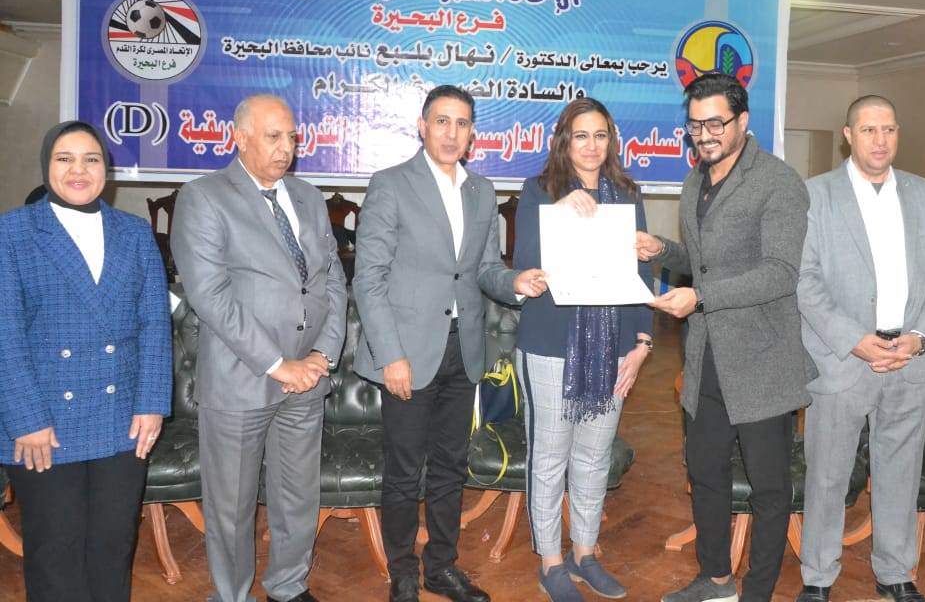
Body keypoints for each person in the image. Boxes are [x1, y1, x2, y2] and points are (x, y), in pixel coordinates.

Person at [353, 84, 547, 602]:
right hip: (408, 353)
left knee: (449, 466)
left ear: (472, 133)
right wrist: (391, 355)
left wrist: (516, 281)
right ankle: (402, 571)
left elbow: (484, 269)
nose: (451, 132)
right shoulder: (391, 184)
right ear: (422, 126)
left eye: (461, 123)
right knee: (403, 471)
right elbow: (368, 279)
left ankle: (441, 566)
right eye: (441, 121)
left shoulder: (481, 190)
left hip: (465, 350)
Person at [636, 72, 817, 602]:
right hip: (705, 357)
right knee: (706, 472)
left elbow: (780, 272)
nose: (704, 135)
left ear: (743, 121)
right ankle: (715, 580)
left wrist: (700, 297)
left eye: (715, 123)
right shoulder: (696, 179)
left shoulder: (779, 182)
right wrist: (662, 250)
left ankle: (757, 591)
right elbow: (703, 262)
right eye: (695, 126)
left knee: (768, 486)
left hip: (762, 360)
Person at [171, 94, 348, 602]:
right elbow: (210, 296)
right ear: (240, 137)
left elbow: (333, 280)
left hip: (307, 379)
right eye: (273, 137)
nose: (286, 147)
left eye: (291, 137)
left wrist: (321, 355)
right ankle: (232, 594)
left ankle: (288, 587)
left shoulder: (309, 197)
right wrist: (277, 364)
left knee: (297, 496)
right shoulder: (204, 197)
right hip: (241, 379)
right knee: (231, 506)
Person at [0, 121, 172, 602]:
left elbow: (155, 324)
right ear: (47, 166)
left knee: (114, 543)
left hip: (124, 418)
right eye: (65, 159)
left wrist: (152, 403)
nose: (79, 170)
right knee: (56, 547)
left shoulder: (133, 232)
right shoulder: (12, 232)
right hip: (45, 422)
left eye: (91, 159)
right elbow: (4, 334)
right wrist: (26, 419)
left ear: (106, 170)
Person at [796, 96, 925, 602]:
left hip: (908, 357)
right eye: (868, 130)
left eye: (888, 129)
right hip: (842, 359)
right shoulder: (815, 194)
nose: (880, 140)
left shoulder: (924, 193)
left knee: (901, 473)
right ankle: (818, 577)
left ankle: (895, 573)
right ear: (848, 135)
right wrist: (854, 341)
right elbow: (805, 280)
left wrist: (921, 337)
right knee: (827, 476)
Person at [512, 98, 654, 602]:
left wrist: (642, 343)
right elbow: (525, 264)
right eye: (581, 136)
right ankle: (551, 562)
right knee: (550, 458)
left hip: (614, 347)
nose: (591, 146)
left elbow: (642, 271)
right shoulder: (538, 190)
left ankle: (585, 553)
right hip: (550, 346)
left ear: (610, 140)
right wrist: (559, 214)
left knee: (594, 456)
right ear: (564, 141)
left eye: (600, 135)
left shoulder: (628, 194)